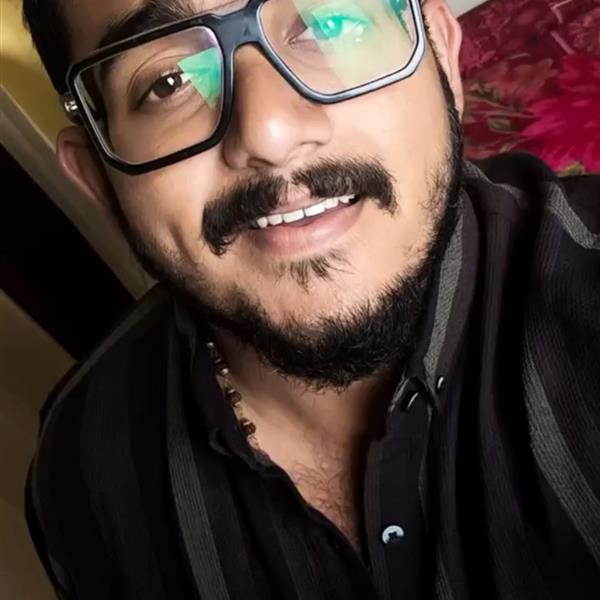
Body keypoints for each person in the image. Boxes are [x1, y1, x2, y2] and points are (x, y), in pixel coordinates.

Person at [22, 0, 599, 598]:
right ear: (98, 182)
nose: (270, 132)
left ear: (443, 57)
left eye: (332, 23)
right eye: (170, 82)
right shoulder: (80, 480)